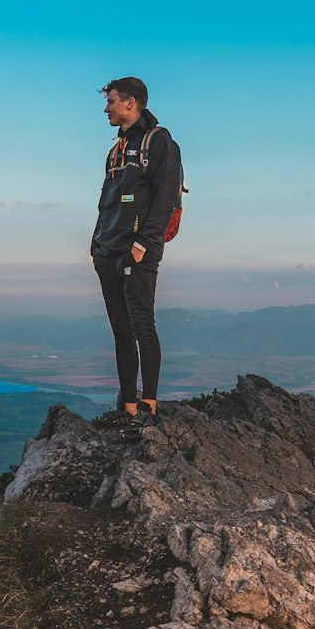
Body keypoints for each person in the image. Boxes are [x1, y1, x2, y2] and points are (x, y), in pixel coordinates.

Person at [91, 77, 181, 439]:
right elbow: (106, 201)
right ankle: (127, 406)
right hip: (107, 250)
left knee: (142, 325)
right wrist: (96, 244)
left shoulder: (159, 142)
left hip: (136, 250)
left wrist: (143, 244)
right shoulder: (116, 150)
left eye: (111, 101)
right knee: (120, 331)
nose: (106, 108)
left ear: (131, 103)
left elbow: (165, 195)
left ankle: (148, 408)